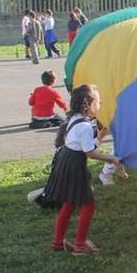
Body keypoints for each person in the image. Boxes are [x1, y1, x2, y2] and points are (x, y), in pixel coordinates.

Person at [43, 85, 123, 256]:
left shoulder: (76, 119)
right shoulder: (85, 126)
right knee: (88, 205)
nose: (100, 103)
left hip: (66, 162)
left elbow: (85, 145)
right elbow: (90, 152)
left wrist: (100, 136)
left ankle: (58, 243)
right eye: (97, 100)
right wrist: (112, 159)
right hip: (75, 166)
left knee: (70, 203)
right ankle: (80, 246)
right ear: (87, 104)